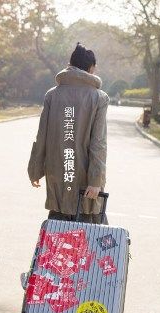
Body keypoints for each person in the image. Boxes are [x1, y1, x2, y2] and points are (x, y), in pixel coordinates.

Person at [28, 42, 109, 224]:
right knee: (90, 235)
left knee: (58, 233)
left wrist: (35, 170)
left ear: (70, 65)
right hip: (86, 182)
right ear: (91, 68)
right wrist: (96, 181)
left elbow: (42, 136)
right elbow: (98, 142)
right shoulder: (99, 98)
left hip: (58, 173)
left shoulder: (52, 95)